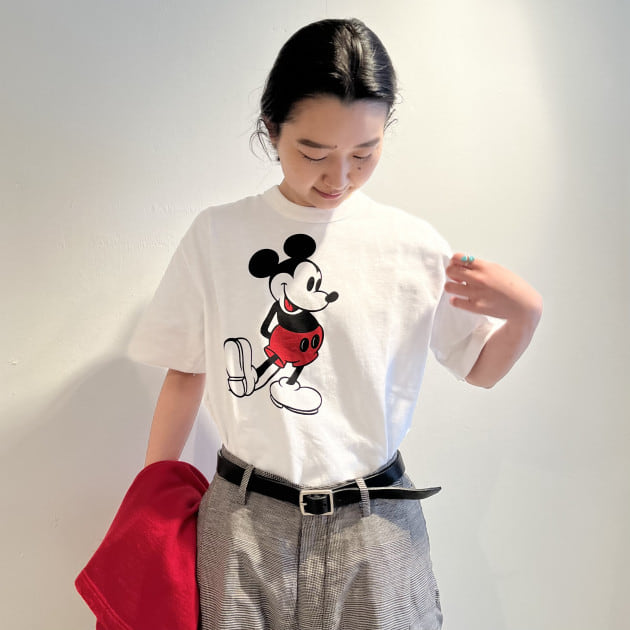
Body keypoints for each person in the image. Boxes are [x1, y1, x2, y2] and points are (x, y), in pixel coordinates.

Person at [127, 17, 542, 630]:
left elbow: (479, 369)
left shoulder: (410, 245)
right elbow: (186, 373)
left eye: (364, 153)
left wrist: (526, 313)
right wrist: (149, 509)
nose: (339, 177)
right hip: (242, 522)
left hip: (377, 529)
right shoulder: (217, 236)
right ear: (271, 129)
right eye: (313, 153)